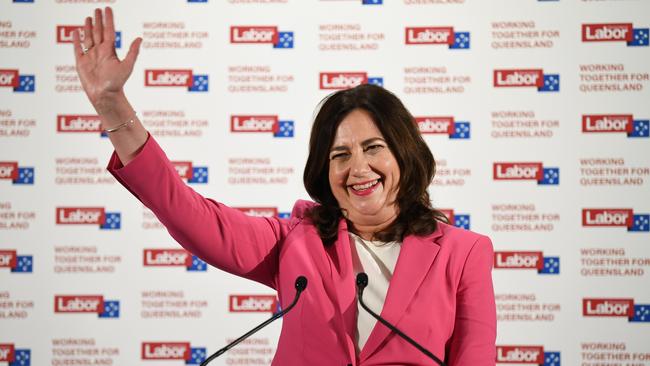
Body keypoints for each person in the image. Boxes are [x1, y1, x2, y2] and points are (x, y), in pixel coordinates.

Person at [73, 7, 496, 365]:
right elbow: (189, 214)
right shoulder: (296, 241)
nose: (358, 168)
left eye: (373, 148)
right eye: (340, 155)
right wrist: (113, 107)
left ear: (404, 153)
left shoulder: (463, 254)